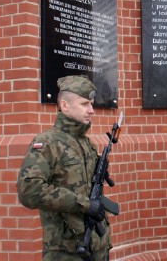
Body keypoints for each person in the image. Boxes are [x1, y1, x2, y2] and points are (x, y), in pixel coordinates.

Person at [17, 75, 112, 261]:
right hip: (67, 252)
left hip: (98, 248)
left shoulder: (86, 143)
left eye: (91, 104)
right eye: (85, 104)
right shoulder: (47, 143)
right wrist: (84, 204)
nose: (91, 110)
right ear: (65, 105)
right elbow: (29, 190)